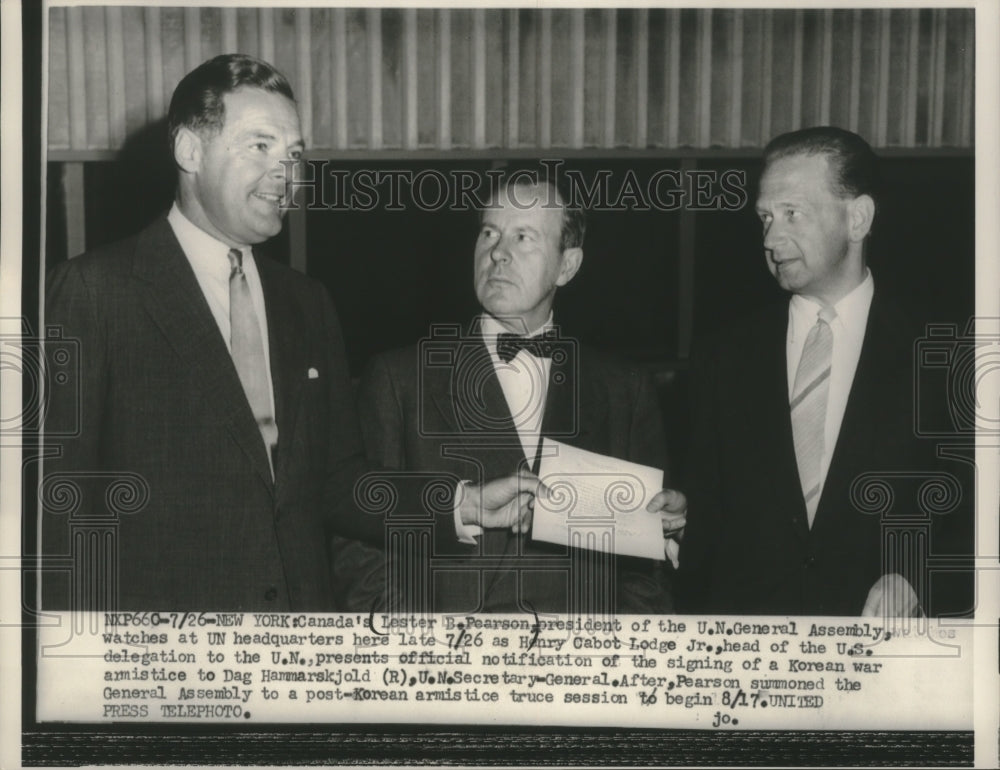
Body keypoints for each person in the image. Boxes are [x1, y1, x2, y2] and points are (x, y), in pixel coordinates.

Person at [40, 54, 533, 611]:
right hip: (164, 663)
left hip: (295, 652)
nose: (286, 172)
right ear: (190, 151)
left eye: (294, 154)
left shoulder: (307, 302)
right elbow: (55, 508)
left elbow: (336, 482)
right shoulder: (93, 292)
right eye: (261, 145)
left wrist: (460, 504)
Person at [356, 169, 685, 614]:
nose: (498, 254)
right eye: (490, 232)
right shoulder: (398, 379)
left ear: (567, 265)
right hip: (445, 667)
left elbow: (646, 569)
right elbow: (364, 550)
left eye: (524, 237)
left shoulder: (623, 389)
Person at [678, 126, 933, 617]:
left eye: (792, 213)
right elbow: (704, 515)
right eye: (766, 217)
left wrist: (916, 572)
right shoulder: (721, 356)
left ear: (857, 218)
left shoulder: (940, 354)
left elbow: (975, 503)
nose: (772, 239)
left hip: (884, 661)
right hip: (751, 661)